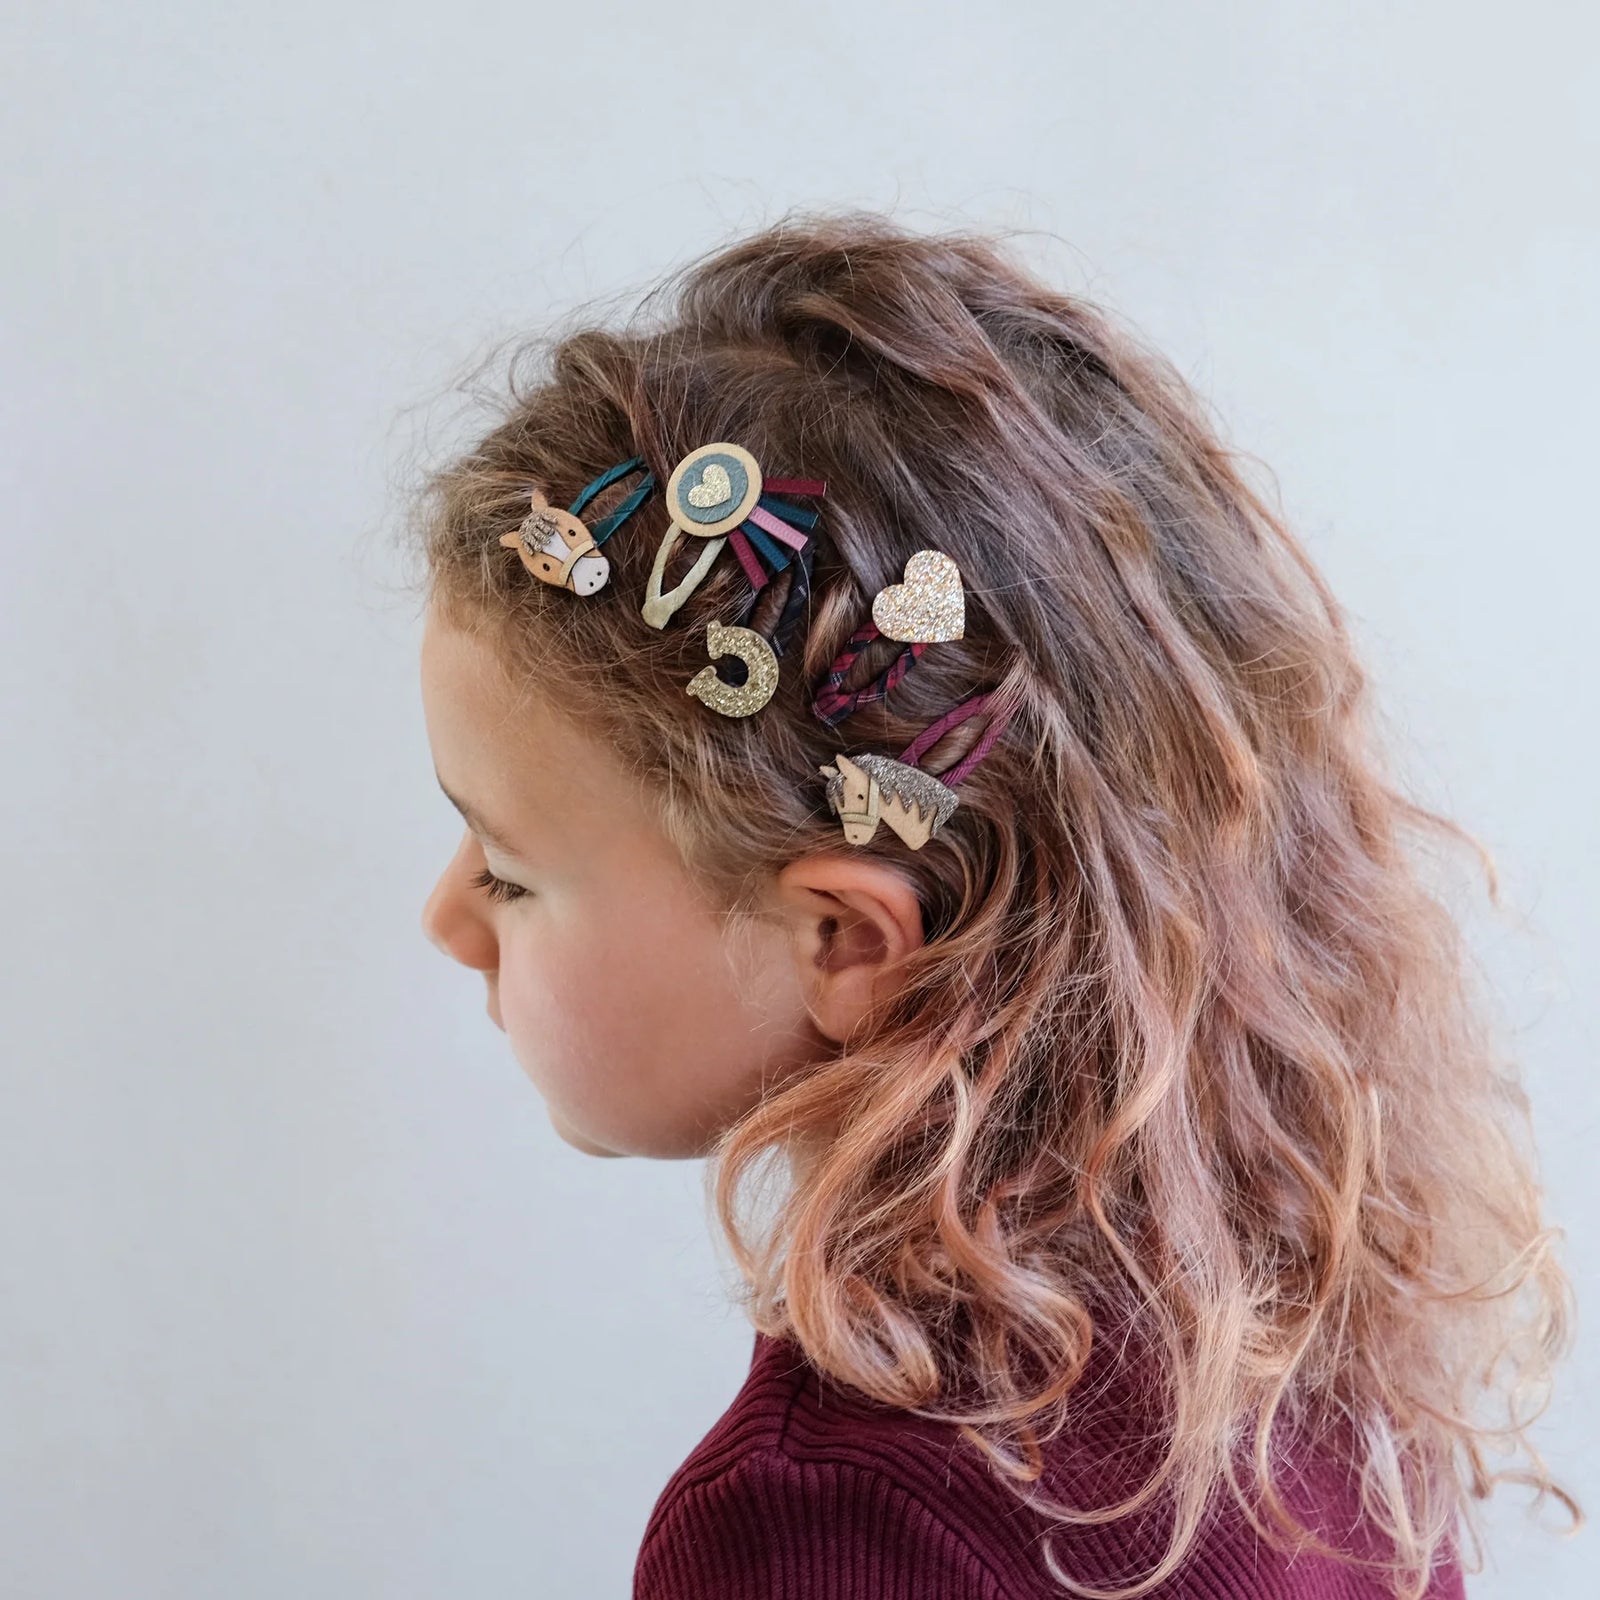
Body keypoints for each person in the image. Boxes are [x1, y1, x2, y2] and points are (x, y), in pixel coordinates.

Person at [410, 211, 1578, 1597]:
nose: (449, 921)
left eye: (510, 870)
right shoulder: (1281, 1323)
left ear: (845, 939)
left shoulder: (824, 1521)